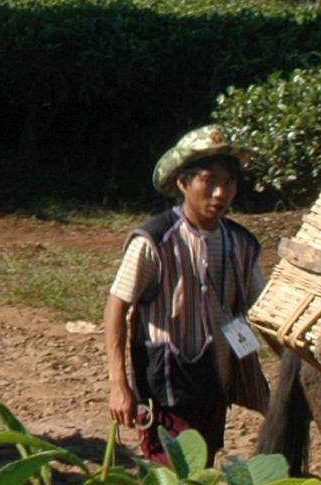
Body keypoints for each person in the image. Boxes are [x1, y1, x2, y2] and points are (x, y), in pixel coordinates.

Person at [105, 126, 268, 462]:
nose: (220, 193)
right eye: (209, 181)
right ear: (183, 182)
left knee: (203, 466)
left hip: (216, 381)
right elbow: (116, 307)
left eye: (229, 183)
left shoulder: (240, 244)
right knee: (173, 473)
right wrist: (118, 384)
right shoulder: (155, 241)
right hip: (167, 386)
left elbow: (263, 310)